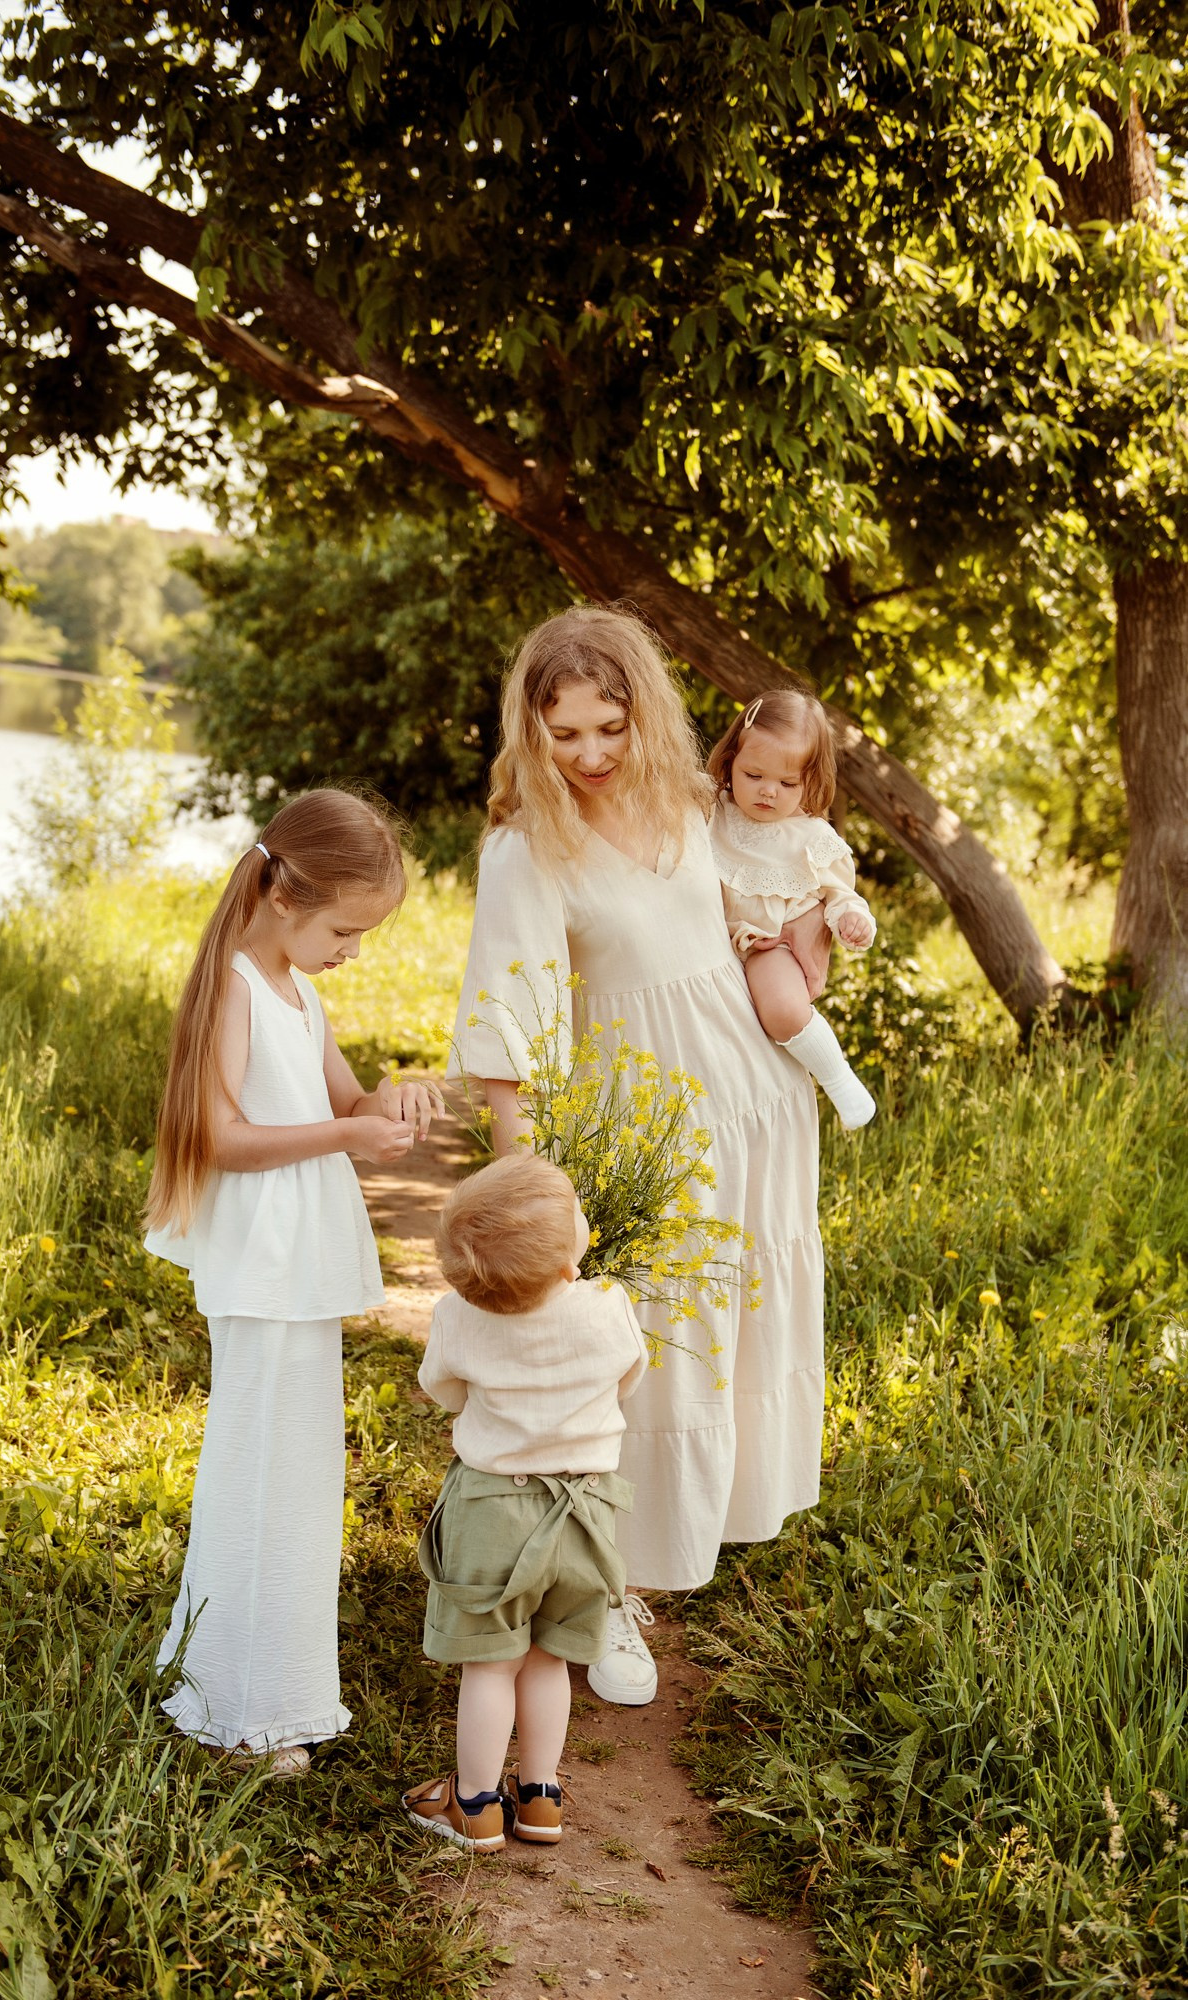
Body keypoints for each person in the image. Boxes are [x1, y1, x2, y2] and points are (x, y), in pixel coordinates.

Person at [450, 604, 827, 1708]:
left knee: (731, 1323)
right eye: (564, 734)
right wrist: (526, 1189)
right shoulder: (524, 847)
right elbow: (506, 1024)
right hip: (642, 1118)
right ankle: (607, 1584)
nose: (591, 754)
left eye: (609, 725)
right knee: (643, 1343)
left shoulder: (698, 804)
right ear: (532, 730)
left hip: (757, 1098)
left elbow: (778, 904)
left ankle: (688, 1541)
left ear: (642, 711)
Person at [144, 789, 443, 1774]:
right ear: (283, 894)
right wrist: (350, 1134)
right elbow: (219, 1137)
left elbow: (346, 1096)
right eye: (344, 928)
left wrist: (385, 1100)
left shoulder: (299, 991)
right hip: (260, 1259)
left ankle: (276, 1689)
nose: (352, 948)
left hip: (297, 1265)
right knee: (257, 1472)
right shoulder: (234, 983)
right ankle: (235, 1706)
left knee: (301, 1474)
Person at [403, 1153, 646, 1852]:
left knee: (491, 1663)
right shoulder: (606, 1307)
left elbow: (442, 1388)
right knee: (549, 1660)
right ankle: (539, 1796)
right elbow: (627, 1380)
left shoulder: (457, 1314)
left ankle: (474, 1807)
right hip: (586, 1512)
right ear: (569, 1263)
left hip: (491, 1511)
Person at [708, 689, 877, 1129]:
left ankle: (839, 1081)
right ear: (730, 762)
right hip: (712, 942)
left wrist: (851, 921)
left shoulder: (811, 838)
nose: (768, 792)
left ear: (810, 781)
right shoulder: (712, 812)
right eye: (753, 775)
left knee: (783, 1007)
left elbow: (840, 896)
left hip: (773, 946)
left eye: (787, 784)